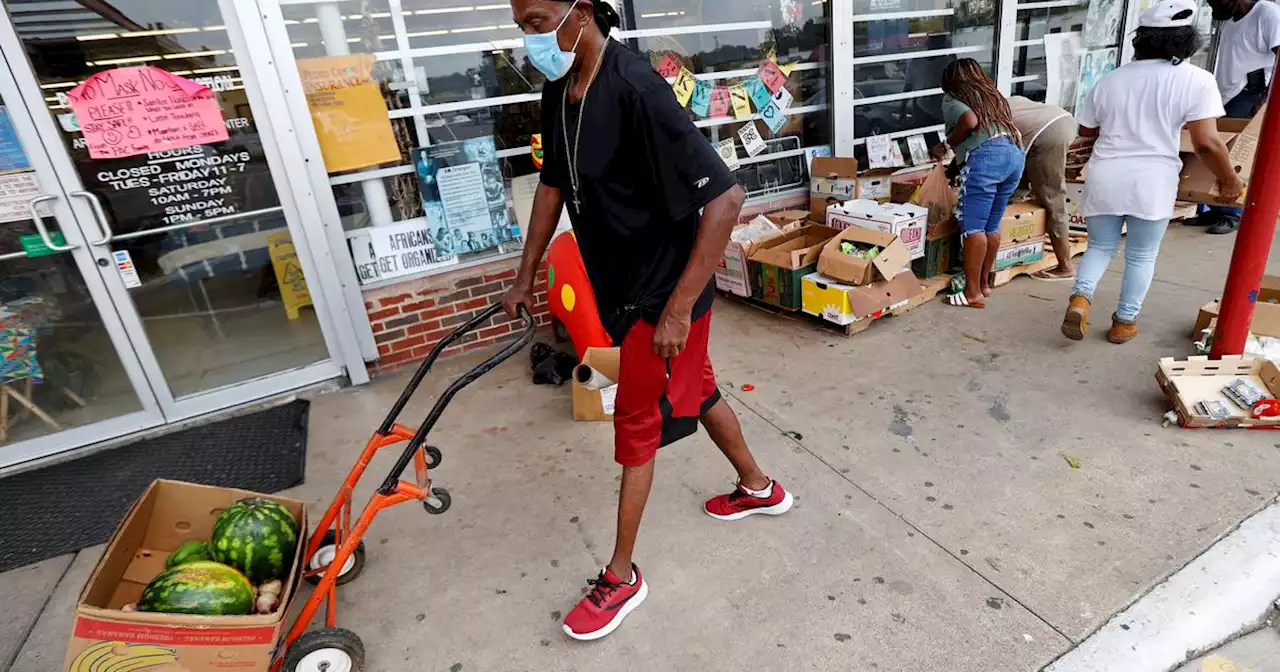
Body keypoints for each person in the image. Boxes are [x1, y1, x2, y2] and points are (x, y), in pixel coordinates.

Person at [503, 0, 793, 642]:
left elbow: (725, 199)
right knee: (701, 386)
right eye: (520, 24)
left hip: (664, 294)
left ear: (580, 12)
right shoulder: (561, 91)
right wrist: (525, 274)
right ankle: (759, 486)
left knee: (637, 424)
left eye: (536, 20)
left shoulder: (635, 87)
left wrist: (679, 310)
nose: (530, 38)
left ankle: (620, 576)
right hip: (623, 287)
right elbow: (553, 183)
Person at [1062, 0, 1242, 344]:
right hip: (1153, 180)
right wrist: (1229, 180)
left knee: (1099, 246)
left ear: (1140, 39)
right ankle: (1124, 323)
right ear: (1188, 41)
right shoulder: (1197, 80)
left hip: (1105, 175)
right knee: (1142, 255)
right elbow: (1207, 143)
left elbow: (1086, 135)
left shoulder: (1110, 80)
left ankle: (1082, 298)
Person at [931, 58, 1026, 308]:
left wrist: (946, 145)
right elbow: (983, 136)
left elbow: (970, 123)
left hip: (987, 161)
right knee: (991, 225)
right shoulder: (992, 97)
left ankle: (972, 293)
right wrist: (955, 167)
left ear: (950, 82)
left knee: (973, 227)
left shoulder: (953, 98)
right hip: (1014, 155)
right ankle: (984, 283)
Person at [1195, 0, 1280, 234]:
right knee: (1216, 150)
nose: (1212, 8)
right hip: (1226, 93)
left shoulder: (1267, 13)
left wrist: (1267, 101)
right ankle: (1214, 206)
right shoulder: (1232, 18)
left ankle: (1232, 213)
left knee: (1236, 153)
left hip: (1250, 93)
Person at [1007, 96, 1078, 280]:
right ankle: (1014, 242)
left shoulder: (983, 116)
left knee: (1051, 197)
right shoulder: (1008, 101)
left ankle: (1065, 266)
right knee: (1016, 188)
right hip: (1062, 120)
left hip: (1047, 134)